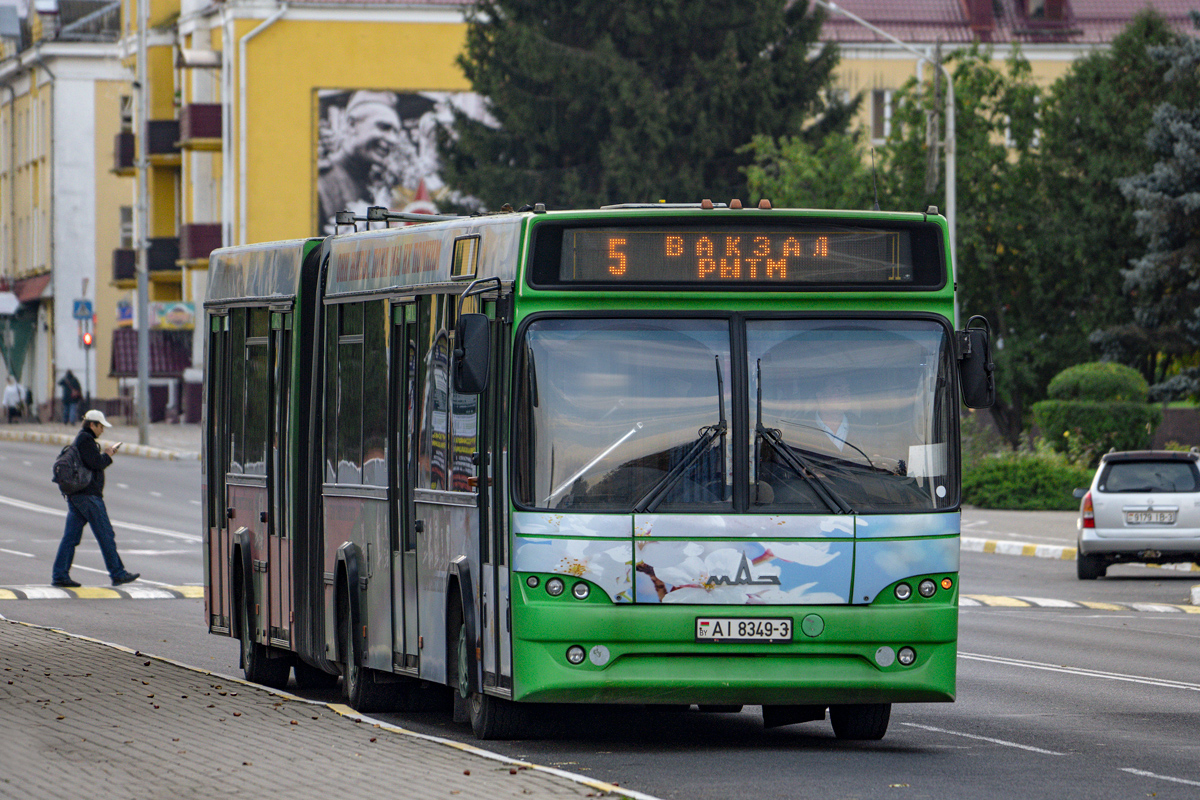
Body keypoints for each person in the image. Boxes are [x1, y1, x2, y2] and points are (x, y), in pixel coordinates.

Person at [50, 409, 139, 588]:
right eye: (101, 426)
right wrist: (108, 455)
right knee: (105, 534)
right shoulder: (85, 440)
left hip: (79, 496)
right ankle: (117, 573)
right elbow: (96, 463)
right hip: (88, 497)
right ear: (92, 424)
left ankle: (60, 574)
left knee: (71, 537)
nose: (102, 430)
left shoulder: (83, 439)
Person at [318, 91, 403, 232]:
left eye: (396, 132)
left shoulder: (382, 183)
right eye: (384, 127)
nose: (393, 140)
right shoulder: (321, 183)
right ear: (352, 124)